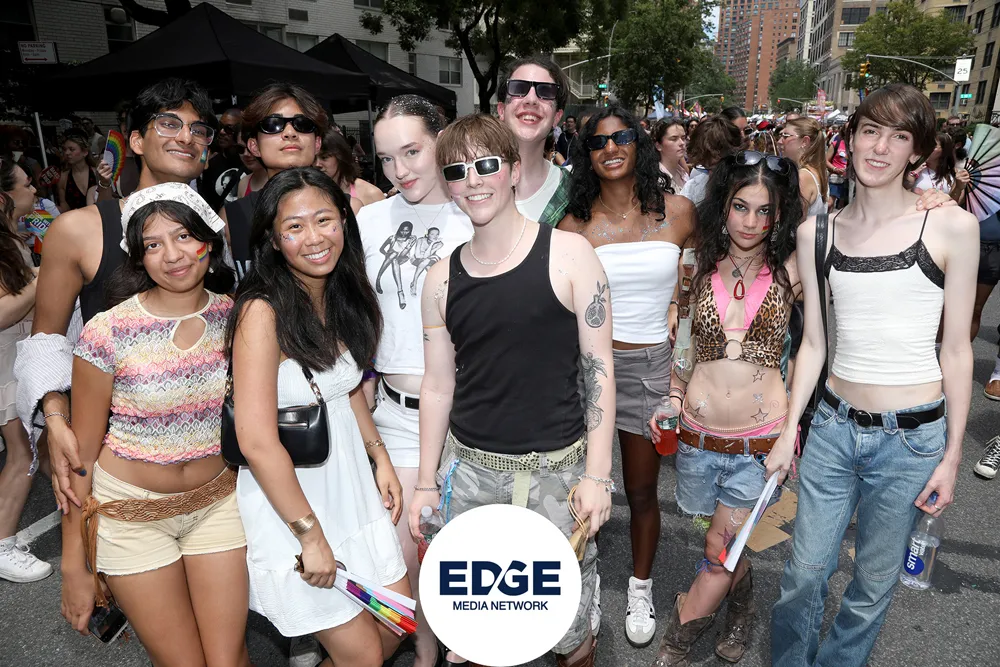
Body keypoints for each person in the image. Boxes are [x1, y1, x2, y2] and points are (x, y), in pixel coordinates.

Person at [769, 84, 978, 667]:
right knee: (803, 575)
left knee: (871, 589)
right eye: (870, 131)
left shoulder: (952, 227)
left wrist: (953, 456)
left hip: (913, 441)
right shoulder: (817, 233)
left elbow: (957, 351)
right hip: (833, 430)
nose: (880, 148)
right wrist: (788, 432)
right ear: (850, 139)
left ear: (918, 152)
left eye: (899, 136)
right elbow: (813, 344)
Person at [412, 113, 614, 667]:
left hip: (559, 474)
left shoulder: (572, 255)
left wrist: (598, 476)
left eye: (486, 165)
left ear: (513, 170)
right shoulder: (440, 279)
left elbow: (599, 369)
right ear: (447, 185)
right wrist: (426, 483)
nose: (473, 180)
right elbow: (438, 385)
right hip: (470, 476)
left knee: (568, 630)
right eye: (457, 171)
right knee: (480, 634)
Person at [59, 183, 249, 666]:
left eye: (184, 236)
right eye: (153, 244)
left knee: (228, 660)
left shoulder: (241, 318)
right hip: (130, 518)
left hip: (219, 507)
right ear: (139, 257)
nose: (173, 255)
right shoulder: (107, 331)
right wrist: (74, 565)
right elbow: (80, 456)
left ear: (209, 241)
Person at [228, 167, 410, 666]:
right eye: (295, 226)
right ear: (273, 239)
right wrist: (309, 535)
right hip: (296, 504)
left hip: (352, 492)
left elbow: (344, 387)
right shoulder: (261, 311)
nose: (314, 237)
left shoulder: (337, 292)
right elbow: (256, 440)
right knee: (364, 656)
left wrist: (380, 457)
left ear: (343, 222)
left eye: (324, 220)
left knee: (397, 622)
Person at [15, 78, 215, 516]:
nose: (186, 137)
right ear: (137, 141)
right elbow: (46, 339)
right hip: (113, 464)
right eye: (169, 124)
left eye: (199, 130)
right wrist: (55, 418)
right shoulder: (80, 229)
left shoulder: (215, 231)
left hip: (212, 464)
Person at [646, 150, 803, 666]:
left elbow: (851, 231)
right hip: (696, 440)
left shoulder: (794, 269)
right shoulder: (693, 266)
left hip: (760, 444)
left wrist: (936, 196)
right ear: (723, 207)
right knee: (720, 541)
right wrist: (673, 397)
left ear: (779, 215)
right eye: (741, 207)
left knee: (719, 548)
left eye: (764, 211)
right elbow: (684, 348)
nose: (751, 222)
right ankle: (740, 608)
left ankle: (676, 640)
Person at [558, 106, 696, 649]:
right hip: (588, 371)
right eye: (598, 142)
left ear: (640, 144)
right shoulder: (572, 227)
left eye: (621, 137)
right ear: (586, 155)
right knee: (580, 488)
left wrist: (680, 322)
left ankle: (641, 587)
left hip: (650, 369)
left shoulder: (679, 213)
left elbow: (699, 284)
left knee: (640, 490)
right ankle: (583, 588)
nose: (611, 148)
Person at [357, 94, 474, 667]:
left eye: (411, 152)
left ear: (441, 142)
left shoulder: (477, 213)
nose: (399, 170)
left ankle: (464, 649)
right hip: (399, 416)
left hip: (474, 416)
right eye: (385, 158)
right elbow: (355, 320)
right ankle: (426, 656)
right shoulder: (368, 221)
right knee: (404, 558)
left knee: (467, 560)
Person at [222, 83, 325, 281]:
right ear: (254, 146)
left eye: (302, 124)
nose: (290, 133)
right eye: (273, 125)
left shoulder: (351, 210)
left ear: (317, 143)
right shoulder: (231, 218)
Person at [0, 158, 47, 583]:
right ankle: (2, 544)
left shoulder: (9, 236)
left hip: (16, 356)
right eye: (26, 184)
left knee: (41, 447)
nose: (33, 190)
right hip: (4, 364)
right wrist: (43, 278)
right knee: (23, 453)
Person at [497, 57, 573, 226]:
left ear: (557, 117)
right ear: (501, 110)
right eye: (518, 88)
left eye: (546, 91)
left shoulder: (574, 192)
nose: (531, 100)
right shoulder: (464, 181)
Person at [315, 129, 385, 211]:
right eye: (314, 158)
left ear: (340, 157)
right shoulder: (310, 192)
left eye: (324, 157)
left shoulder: (371, 194)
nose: (317, 164)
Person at [679, 117, 743, 206]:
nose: (711, 174)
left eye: (715, 167)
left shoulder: (748, 186)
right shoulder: (692, 187)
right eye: (706, 168)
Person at [778, 118, 829, 219]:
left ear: (804, 142)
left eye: (785, 136)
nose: (779, 141)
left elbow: (794, 222)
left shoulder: (803, 176)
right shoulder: (815, 171)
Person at [198, 107, 248, 212]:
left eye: (229, 129)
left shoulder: (250, 161)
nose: (221, 132)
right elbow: (208, 202)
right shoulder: (211, 164)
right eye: (220, 126)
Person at [912, 132, 970, 203]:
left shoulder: (952, 174)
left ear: (944, 151)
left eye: (933, 146)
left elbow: (952, 202)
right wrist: (912, 176)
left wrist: (958, 188)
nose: (927, 148)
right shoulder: (915, 168)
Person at [56, 135, 100, 211]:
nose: (67, 153)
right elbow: (64, 207)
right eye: (65, 149)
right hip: (76, 217)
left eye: (71, 149)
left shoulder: (97, 173)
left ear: (85, 152)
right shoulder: (63, 177)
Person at [652, 118, 690, 193]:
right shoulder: (655, 180)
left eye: (683, 138)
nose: (682, 143)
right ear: (658, 145)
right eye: (674, 139)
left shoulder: (683, 173)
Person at [826, 128, 849, 210]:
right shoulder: (836, 143)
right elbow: (826, 160)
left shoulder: (855, 145)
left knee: (843, 205)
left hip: (849, 179)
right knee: (830, 203)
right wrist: (835, 169)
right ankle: (828, 217)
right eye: (847, 130)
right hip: (836, 177)